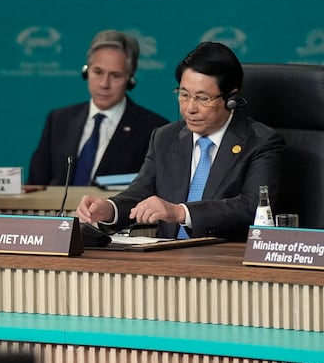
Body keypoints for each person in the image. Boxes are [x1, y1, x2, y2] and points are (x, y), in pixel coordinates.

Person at [76, 41, 285, 241]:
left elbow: (253, 207)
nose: (189, 108)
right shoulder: (165, 137)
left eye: (203, 98)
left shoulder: (260, 142)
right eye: (184, 95)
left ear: (231, 99)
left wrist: (180, 212)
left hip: (226, 261)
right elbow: (140, 193)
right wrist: (109, 209)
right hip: (168, 260)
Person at [27, 29, 168, 186]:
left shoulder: (153, 129)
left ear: (130, 79)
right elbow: (35, 184)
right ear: (86, 71)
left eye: (115, 75)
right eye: (98, 72)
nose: (104, 84)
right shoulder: (59, 120)